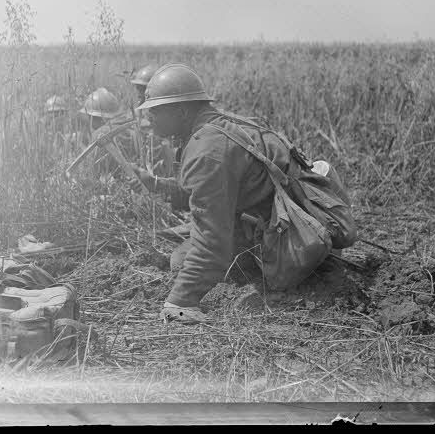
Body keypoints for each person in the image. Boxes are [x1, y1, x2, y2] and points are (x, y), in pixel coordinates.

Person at [133, 63, 324, 325]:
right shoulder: (221, 127)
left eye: (155, 110)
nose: (148, 118)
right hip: (290, 223)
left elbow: (212, 239)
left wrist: (180, 301)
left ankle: (263, 272)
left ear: (180, 110)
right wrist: (157, 184)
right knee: (184, 257)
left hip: (292, 239)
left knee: (181, 262)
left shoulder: (208, 150)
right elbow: (214, 191)